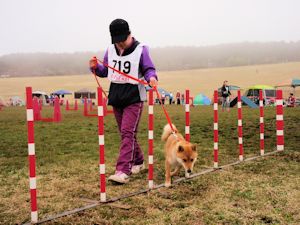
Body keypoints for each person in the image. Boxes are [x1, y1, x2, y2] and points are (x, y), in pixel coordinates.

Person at [89, 19, 158, 184]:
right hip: (116, 96)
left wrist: (152, 78)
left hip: (134, 97)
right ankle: (139, 161)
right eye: (117, 41)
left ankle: (122, 171)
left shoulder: (141, 50)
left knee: (127, 132)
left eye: (122, 40)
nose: (120, 44)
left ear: (129, 34)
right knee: (126, 133)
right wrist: (95, 68)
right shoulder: (110, 50)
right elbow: (106, 71)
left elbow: (148, 68)